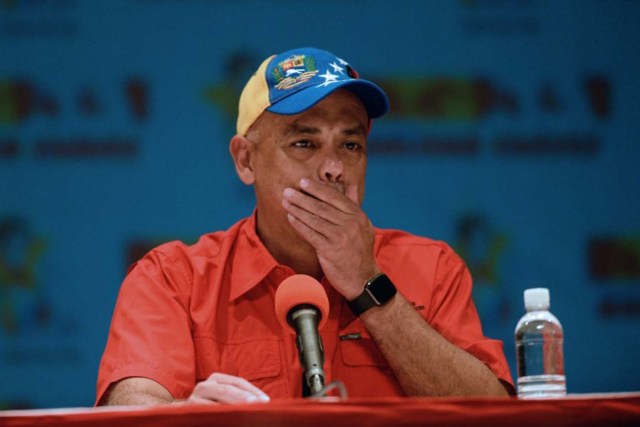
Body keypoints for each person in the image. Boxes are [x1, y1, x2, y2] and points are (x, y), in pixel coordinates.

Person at [96, 47, 514, 406]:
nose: (333, 168)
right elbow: (129, 411)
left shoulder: (434, 267)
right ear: (245, 160)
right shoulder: (173, 279)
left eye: (350, 145)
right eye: (305, 143)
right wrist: (188, 415)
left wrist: (369, 284)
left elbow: (495, 417)